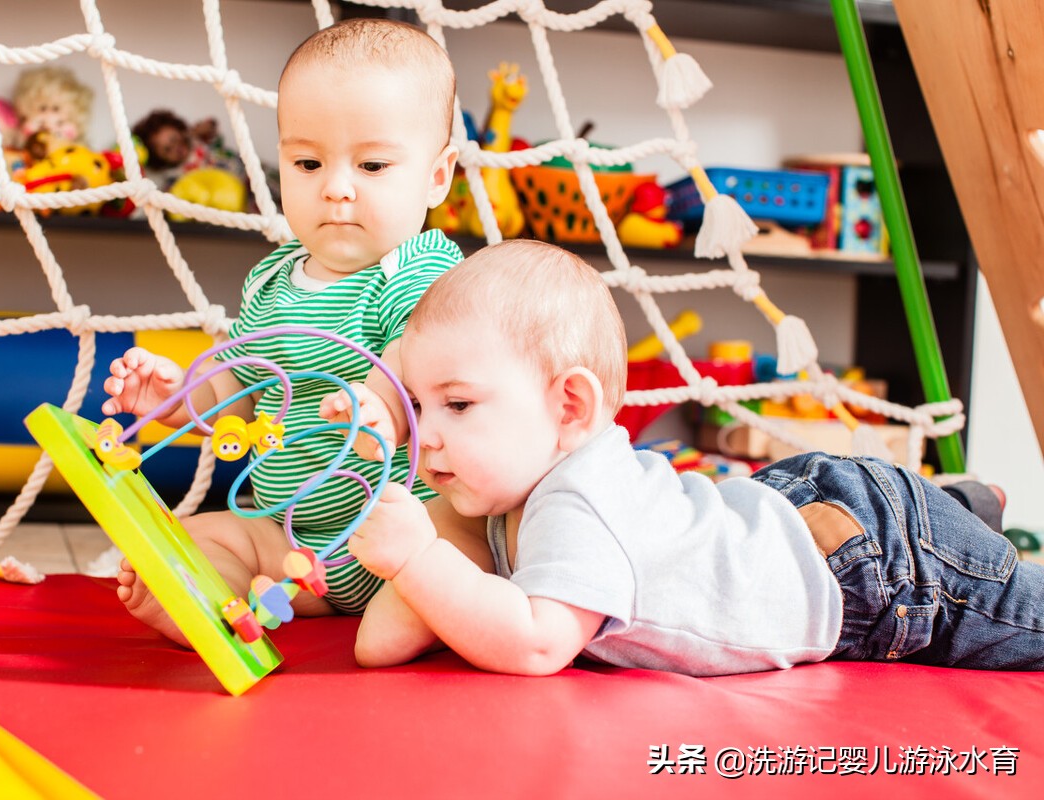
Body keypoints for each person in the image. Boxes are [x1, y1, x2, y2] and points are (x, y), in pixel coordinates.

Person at [347, 239, 1044, 675]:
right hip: (793, 506)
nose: (425, 434)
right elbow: (379, 644)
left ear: (569, 409)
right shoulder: (498, 491)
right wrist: (425, 537)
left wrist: (417, 558)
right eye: (415, 404)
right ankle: (960, 502)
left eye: (457, 405)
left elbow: (536, 645)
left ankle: (945, 516)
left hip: (871, 567)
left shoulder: (575, 503)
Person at [103, 18, 487, 643]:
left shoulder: (422, 271)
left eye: (372, 165)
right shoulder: (272, 279)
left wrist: (383, 405)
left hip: (401, 527)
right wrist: (177, 398)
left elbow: (413, 354)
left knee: (467, 550)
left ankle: (411, 615)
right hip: (294, 534)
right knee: (201, 531)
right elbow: (242, 385)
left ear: (437, 176)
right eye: (307, 162)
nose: (336, 189)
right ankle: (211, 601)